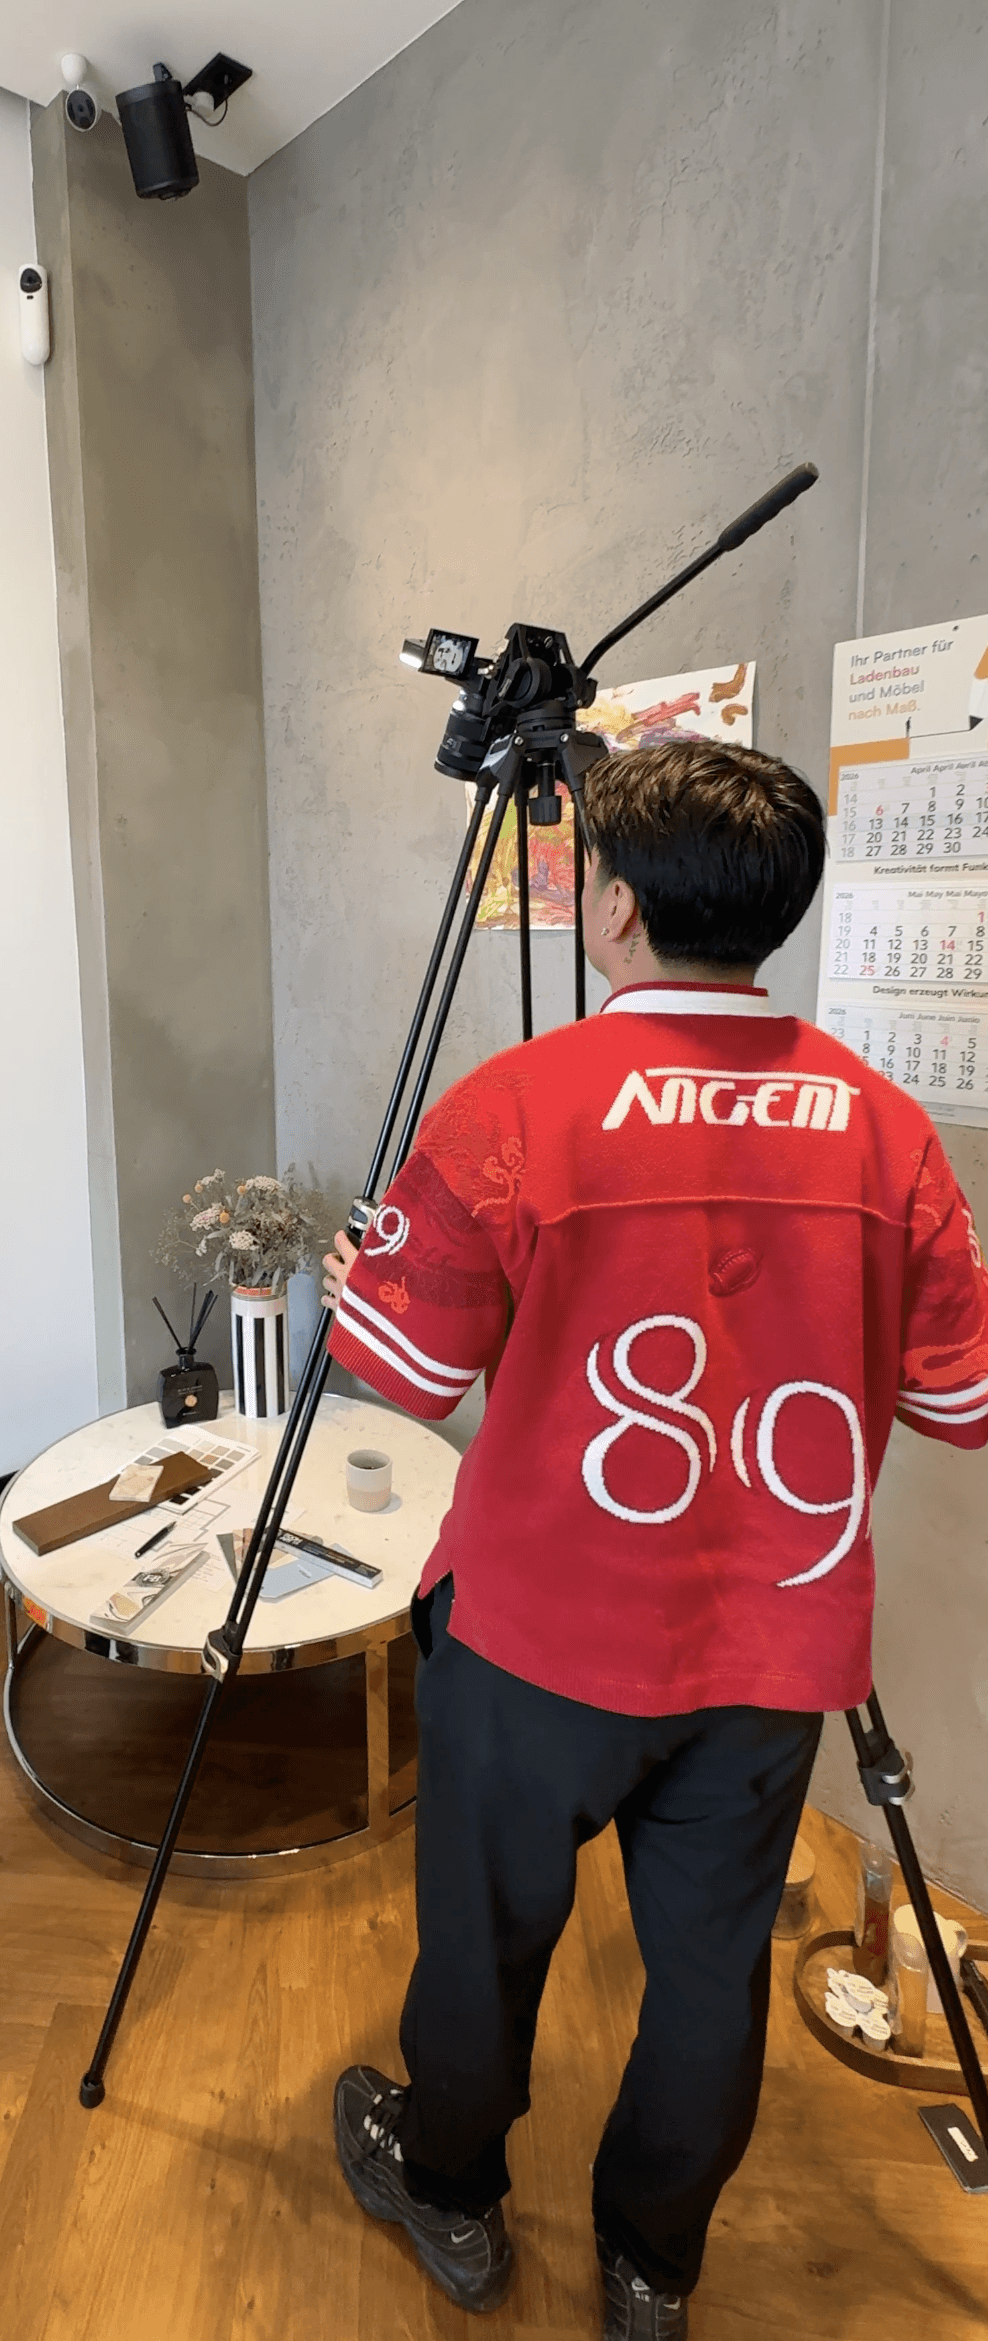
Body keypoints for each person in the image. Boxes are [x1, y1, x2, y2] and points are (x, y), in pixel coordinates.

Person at [320, 739, 988, 2334]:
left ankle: (452, 2195)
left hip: (538, 1635)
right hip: (770, 1655)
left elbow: (395, 1375)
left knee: (483, 1946)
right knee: (706, 1971)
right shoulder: (887, 1133)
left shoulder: (515, 1107)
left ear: (612, 909)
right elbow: (963, 1404)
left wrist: (360, 1278)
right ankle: (649, 2266)